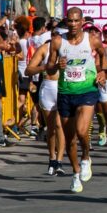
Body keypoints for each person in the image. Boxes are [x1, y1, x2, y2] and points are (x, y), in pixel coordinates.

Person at [46, 8, 107, 193]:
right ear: (67, 22)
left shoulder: (92, 39)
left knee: (82, 131)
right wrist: (57, 65)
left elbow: (104, 56)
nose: (73, 24)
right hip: (65, 93)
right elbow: (49, 68)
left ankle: (87, 157)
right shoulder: (58, 41)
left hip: (87, 91)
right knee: (70, 140)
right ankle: (75, 173)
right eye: (70, 21)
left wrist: (103, 71)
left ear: (82, 22)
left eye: (76, 21)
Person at [25, 26, 66, 175]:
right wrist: (46, 67)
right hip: (48, 88)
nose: (58, 38)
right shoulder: (44, 48)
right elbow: (28, 70)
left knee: (59, 125)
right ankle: (52, 158)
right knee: (51, 127)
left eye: (61, 35)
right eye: (56, 35)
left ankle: (60, 161)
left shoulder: (71, 48)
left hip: (63, 87)